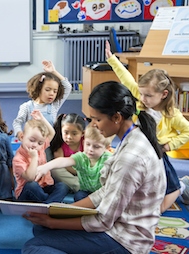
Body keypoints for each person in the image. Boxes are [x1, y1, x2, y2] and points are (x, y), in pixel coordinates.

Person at [22, 81, 166, 254]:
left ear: (117, 117)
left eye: (97, 119)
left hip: (124, 241)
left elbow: (103, 221)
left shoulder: (130, 158)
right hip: (117, 228)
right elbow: (105, 192)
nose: (94, 125)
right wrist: (63, 212)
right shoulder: (134, 136)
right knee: (41, 229)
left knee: (33, 246)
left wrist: (53, 221)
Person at [105, 40, 189, 212]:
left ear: (164, 94)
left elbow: (187, 131)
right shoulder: (141, 99)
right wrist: (112, 59)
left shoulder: (172, 114)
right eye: (141, 94)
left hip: (157, 154)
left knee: (163, 203)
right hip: (136, 150)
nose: (142, 99)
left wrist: (169, 145)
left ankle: (182, 185)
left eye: (148, 95)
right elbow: (126, 79)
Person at [36, 125, 113, 202]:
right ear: (83, 142)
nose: (90, 149)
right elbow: (64, 161)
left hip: (103, 192)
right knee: (78, 196)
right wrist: (46, 166)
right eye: (88, 144)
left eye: (96, 147)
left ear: (106, 148)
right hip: (87, 191)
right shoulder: (82, 157)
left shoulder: (108, 159)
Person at [12, 110, 70, 204]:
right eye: (32, 140)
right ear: (22, 137)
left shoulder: (40, 147)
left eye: (40, 143)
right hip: (26, 192)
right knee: (32, 185)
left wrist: (42, 119)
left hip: (44, 187)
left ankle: (46, 203)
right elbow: (30, 178)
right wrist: (34, 158)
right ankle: (50, 202)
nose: (35, 145)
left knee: (63, 186)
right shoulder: (18, 159)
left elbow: (52, 133)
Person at [13, 60, 72, 140]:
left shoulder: (54, 105)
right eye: (48, 90)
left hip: (49, 145)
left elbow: (67, 87)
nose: (52, 93)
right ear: (38, 89)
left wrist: (53, 72)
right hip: (32, 145)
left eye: (55, 91)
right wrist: (19, 132)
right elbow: (17, 122)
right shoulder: (27, 107)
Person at [49, 113, 86, 192]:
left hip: (86, 172)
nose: (69, 137)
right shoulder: (59, 146)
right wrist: (77, 173)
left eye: (74, 133)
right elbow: (62, 165)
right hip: (69, 173)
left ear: (82, 133)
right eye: (66, 132)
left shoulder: (86, 142)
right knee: (55, 170)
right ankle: (79, 186)